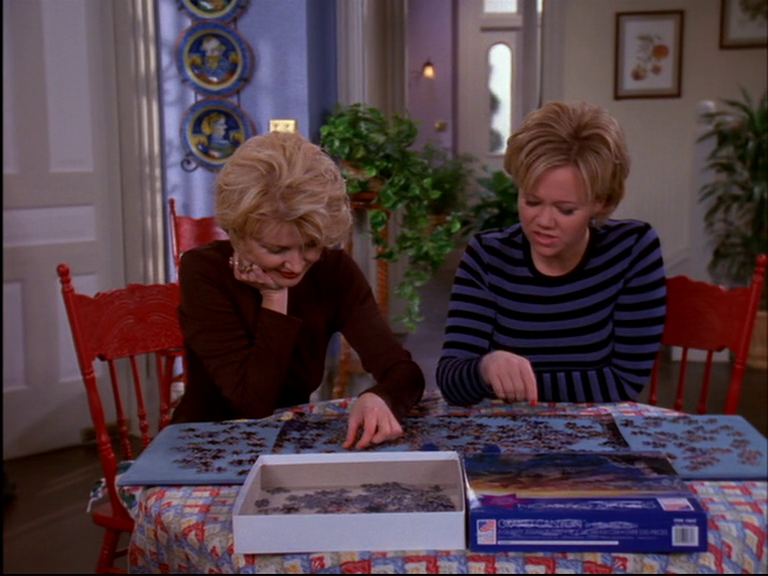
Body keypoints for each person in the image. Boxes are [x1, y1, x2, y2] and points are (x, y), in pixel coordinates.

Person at [171, 131, 425, 449]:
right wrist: (275, 297)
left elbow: (404, 372)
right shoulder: (204, 270)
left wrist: (381, 396)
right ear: (238, 235)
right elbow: (254, 405)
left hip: (290, 442)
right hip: (205, 442)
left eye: (311, 246)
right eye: (276, 249)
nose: (294, 265)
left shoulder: (334, 270)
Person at [436, 100, 667, 406]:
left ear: (600, 202)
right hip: (508, 433)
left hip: (596, 430)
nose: (543, 222)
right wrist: (485, 369)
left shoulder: (632, 250)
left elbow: (623, 382)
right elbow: (451, 379)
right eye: (531, 202)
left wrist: (511, 387)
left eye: (565, 209)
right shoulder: (487, 257)